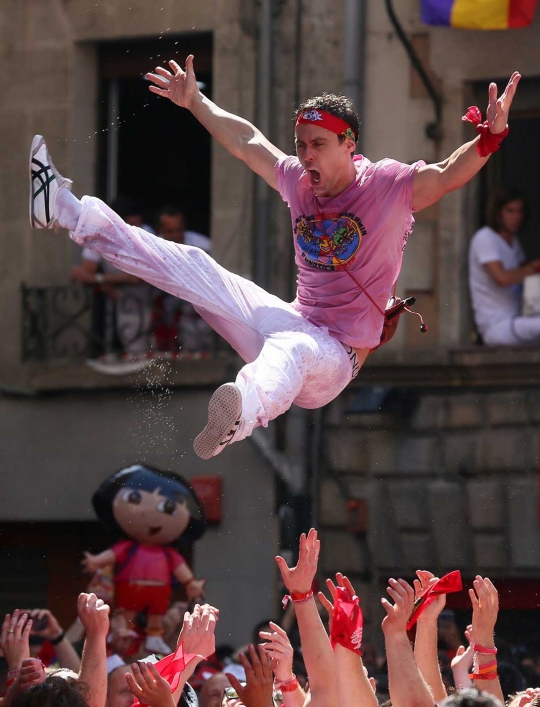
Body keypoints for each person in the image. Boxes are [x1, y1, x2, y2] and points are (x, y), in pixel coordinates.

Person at [29, 61, 520, 459]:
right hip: (291, 320)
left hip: (333, 358)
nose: (306, 156)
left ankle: (240, 415)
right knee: (198, 267)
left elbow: (445, 175)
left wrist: (489, 140)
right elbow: (247, 143)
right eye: (302, 145)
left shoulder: (387, 187)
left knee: (294, 346)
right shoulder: (298, 181)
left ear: (350, 145)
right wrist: (196, 101)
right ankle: (67, 212)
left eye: (319, 146)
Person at [70, 197, 153, 356]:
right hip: (125, 305)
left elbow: (136, 277)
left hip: (155, 301)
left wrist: (100, 279)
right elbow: (85, 272)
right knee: (134, 353)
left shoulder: (147, 234)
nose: (135, 228)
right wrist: (104, 283)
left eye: (137, 223)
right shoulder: (100, 234)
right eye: (130, 223)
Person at [469, 187, 540, 345]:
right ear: (498, 212)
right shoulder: (485, 237)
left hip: (520, 320)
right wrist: (534, 267)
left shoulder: (515, 243)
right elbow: (502, 278)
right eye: (510, 211)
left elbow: (523, 279)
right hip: (497, 327)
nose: (517, 217)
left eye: (520, 211)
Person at [151, 207, 214, 354]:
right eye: (169, 231)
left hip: (198, 307)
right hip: (161, 304)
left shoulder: (203, 246)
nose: (175, 235)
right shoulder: (152, 246)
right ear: (160, 230)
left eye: (178, 230)